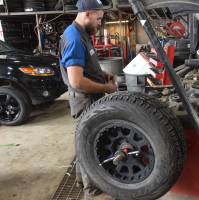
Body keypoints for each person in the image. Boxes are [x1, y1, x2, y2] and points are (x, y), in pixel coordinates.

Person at [58, 0, 117, 199]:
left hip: (91, 97)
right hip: (85, 101)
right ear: (88, 14)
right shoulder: (74, 38)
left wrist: (103, 74)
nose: (101, 23)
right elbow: (76, 81)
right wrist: (106, 87)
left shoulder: (83, 33)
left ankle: (83, 181)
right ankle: (92, 191)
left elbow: (87, 66)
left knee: (84, 142)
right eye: (99, 18)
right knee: (90, 146)